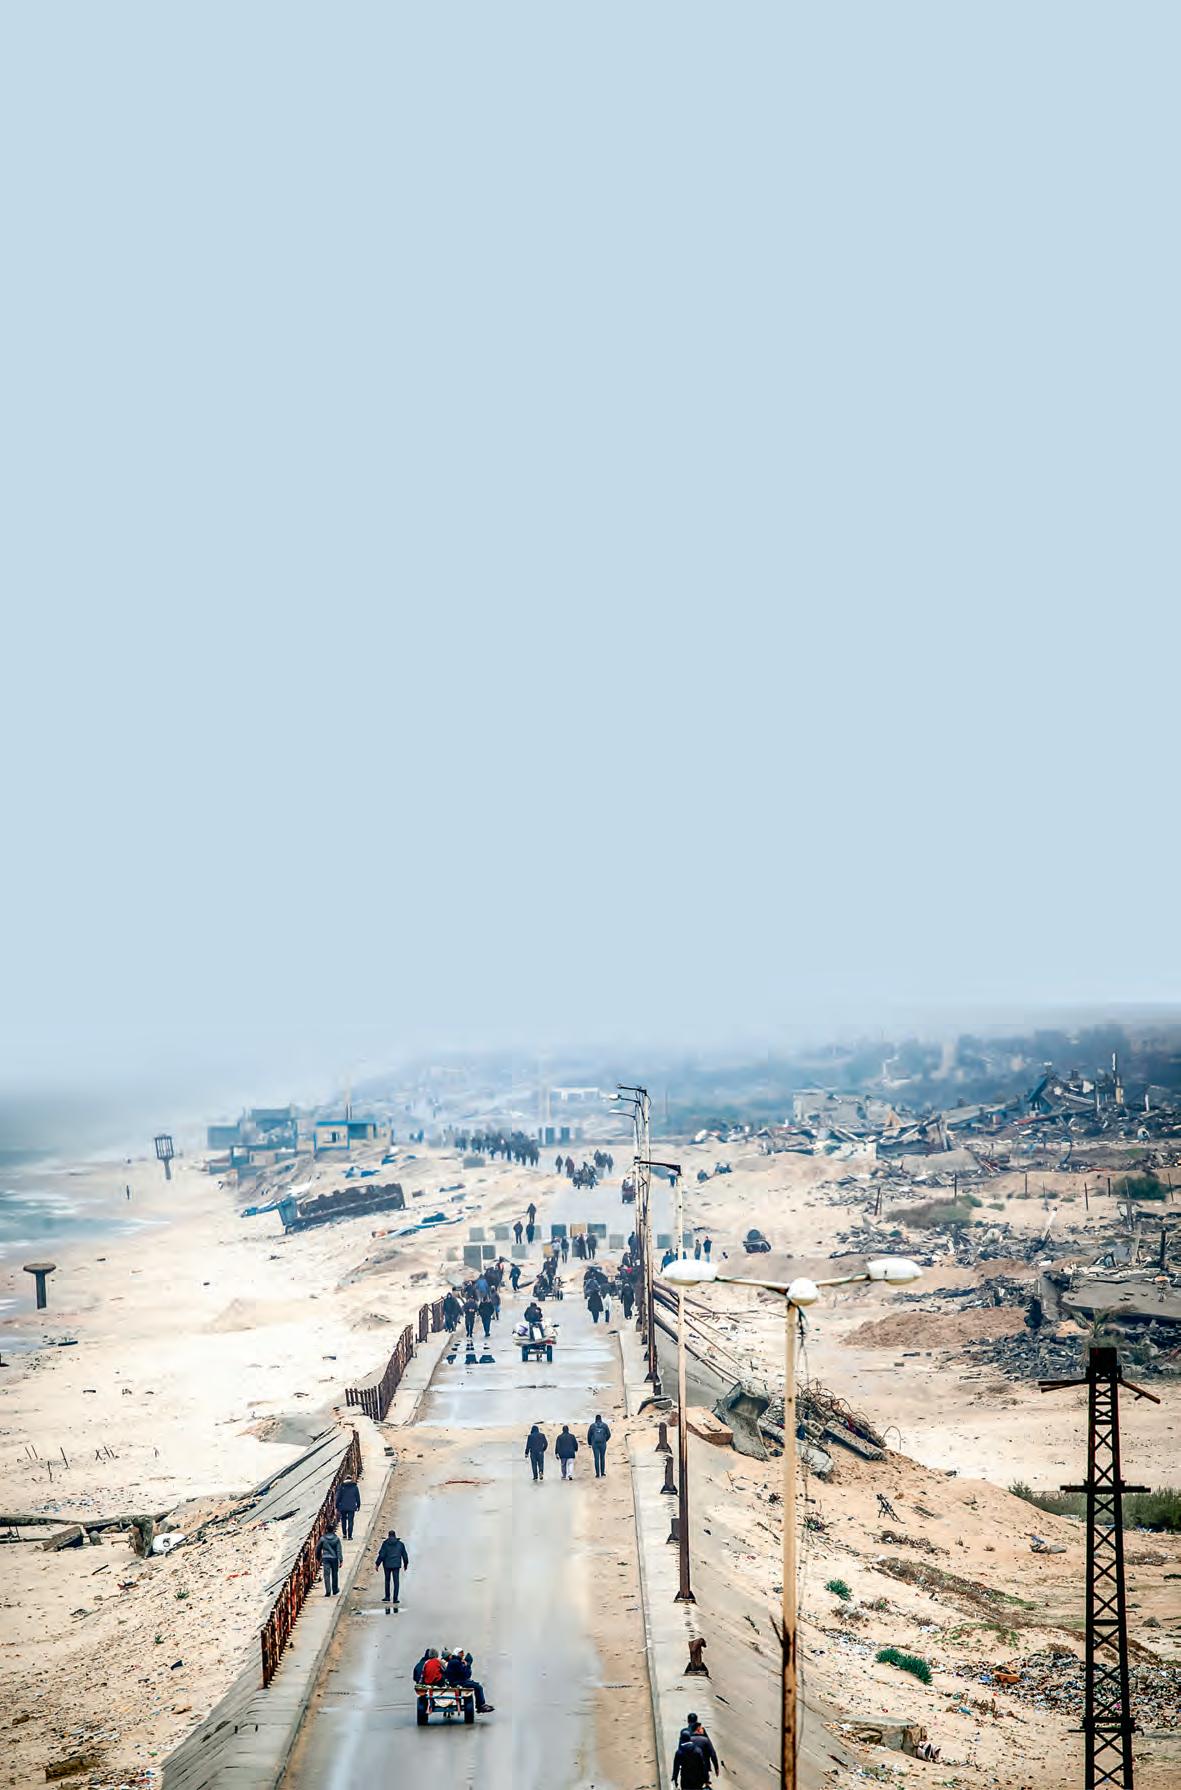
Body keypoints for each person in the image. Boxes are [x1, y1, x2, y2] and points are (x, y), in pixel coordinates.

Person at [444, 1647, 494, 1713]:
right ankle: (480, 1706)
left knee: (476, 1685)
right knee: (478, 1687)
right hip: (457, 1682)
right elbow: (466, 1675)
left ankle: (481, 1705)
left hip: (457, 1681)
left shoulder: (455, 1661)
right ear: (458, 1653)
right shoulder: (456, 1662)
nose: (463, 1655)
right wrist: (467, 1665)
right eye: (461, 1653)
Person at [375, 1528, 409, 1603]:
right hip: (396, 1565)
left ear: (388, 1536)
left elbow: (382, 1555)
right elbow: (405, 1555)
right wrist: (405, 1564)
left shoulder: (385, 1543)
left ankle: (387, 1597)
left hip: (387, 1565)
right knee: (396, 1582)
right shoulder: (400, 1544)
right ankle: (395, 1598)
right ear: (395, 1536)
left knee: (387, 1580)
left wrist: (377, 1564)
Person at [317, 1524, 343, 1597]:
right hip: (334, 1558)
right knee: (335, 1574)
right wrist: (340, 1560)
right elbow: (339, 1550)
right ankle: (335, 1590)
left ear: (326, 1530)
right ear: (333, 1530)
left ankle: (328, 1591)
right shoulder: (336, 1539)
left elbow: (318, 1549)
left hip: (326, 1558)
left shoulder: (322, 1539)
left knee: (326, 1575)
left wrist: (318, 1558)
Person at [334, 1474, 361, 1540]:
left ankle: (344, 1534)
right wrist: (358, 1505)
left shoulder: (342, 1486)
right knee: (350, 1521)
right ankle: (350, 1536)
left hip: (343, 1507)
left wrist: (337, 1505)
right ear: (351, 1479)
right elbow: (357, 1497)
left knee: (343, 1520)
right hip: (352, 1506)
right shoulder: (355, 1487)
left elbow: (339, 1497)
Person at [587, 1414, 611, 1478]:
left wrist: (590, 1443)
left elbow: (589, 1435)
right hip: (603, 1443)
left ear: (595, 1419)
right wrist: (605, 1440)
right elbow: (609, 1434)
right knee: (602, 1458)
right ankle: (602, 1473)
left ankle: (597, 1474)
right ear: (601, 1419)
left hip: (595, 1444)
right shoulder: (605, 1425)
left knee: (596, 1458)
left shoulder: (592, 1426)